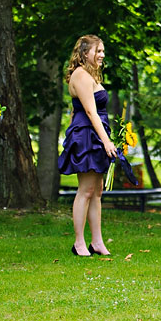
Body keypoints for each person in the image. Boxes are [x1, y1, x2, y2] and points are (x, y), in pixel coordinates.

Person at [58, 35, 117, 257]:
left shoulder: (91, 74)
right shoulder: (81, 75)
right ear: (84, 53)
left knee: (97, 190)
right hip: (87, 136)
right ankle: (79, 242)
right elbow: (90, 112)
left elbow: (78, 111)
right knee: (86, 190)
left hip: (95, 134)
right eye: (97, 51)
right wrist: (106, 141)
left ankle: (97, 241)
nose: (102, 55)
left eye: (102, 51)